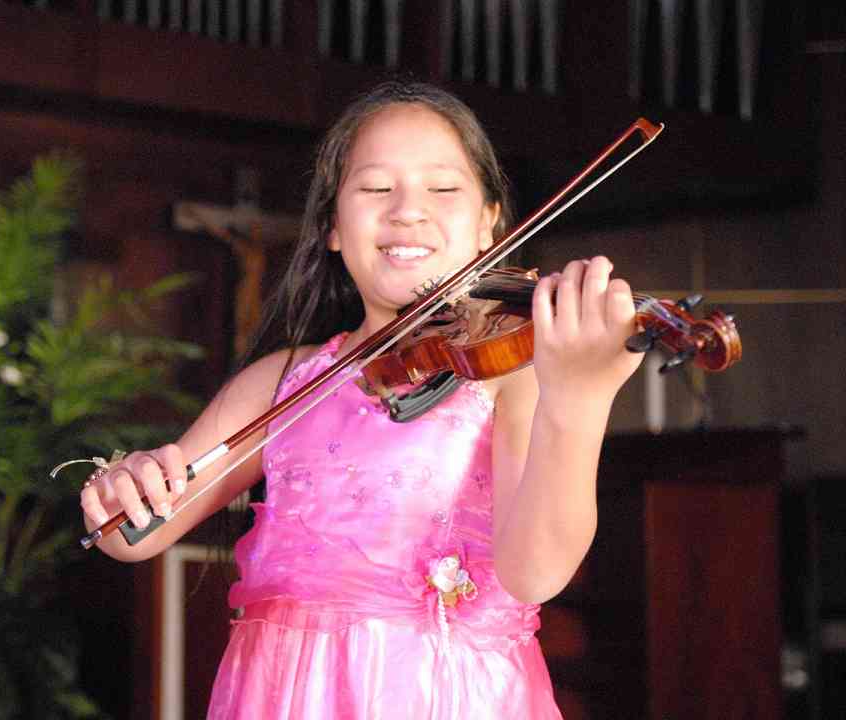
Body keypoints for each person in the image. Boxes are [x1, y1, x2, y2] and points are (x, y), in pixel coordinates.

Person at [79, 80, 645, 719]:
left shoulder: (512, 373)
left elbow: (536, 575)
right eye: (376, 188)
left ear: (490, 224)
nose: (408, 210)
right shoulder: (282, 383)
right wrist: (123, 486)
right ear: (332, 228)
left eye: (443, 188)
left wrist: (579, 399)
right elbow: (132, 535)